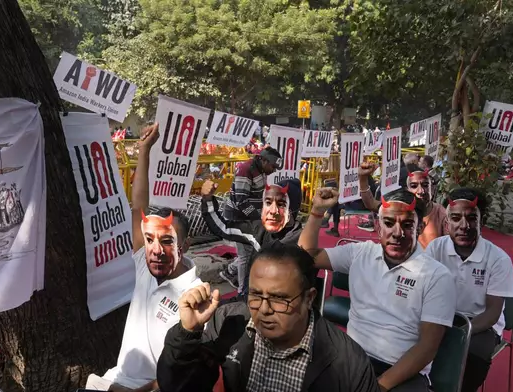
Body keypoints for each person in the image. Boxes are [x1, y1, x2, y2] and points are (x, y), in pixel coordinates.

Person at [157, 245, 380, 392]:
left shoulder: (347, 363)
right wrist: (187, 332)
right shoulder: (229, 322)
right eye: (255, 294)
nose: (264, 309)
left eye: (279, 298)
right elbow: (178, 386)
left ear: (309, 298)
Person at [299, 187, 456, 391]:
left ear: (420, 228)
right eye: (388, 223)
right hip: (350, 360)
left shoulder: (438, 276)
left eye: (407, 225)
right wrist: (316, 212)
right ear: (377, 225)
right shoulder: (360, 253)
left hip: (402, 373)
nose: (397, 233)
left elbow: (427, 348)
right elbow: (305, 258)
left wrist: (377, 386)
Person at [85, 124, 201, 392]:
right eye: (150, 240)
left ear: (186, 244)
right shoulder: (144, 265)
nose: (156, 249)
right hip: (113, 380)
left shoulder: (196, 297)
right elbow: (138, 207)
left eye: (168, 240)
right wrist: (144, 150)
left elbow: (183, 372)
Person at [425, 188, 513, 392]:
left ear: (481, 221)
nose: (464, 226)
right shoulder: (434, 249)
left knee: (469, 360)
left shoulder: (499, 260)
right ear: (447, 222)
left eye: (471, 218)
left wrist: (457, 332)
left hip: (481, 326)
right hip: (443, 318)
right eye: (456, 218)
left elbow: (492, 314)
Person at [201, 178, 303, 291]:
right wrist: (208, 199)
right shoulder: (258, 229)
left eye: (280, 204)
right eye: (268, 202)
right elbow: (224, 228)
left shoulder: (304, 241)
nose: (272, 210)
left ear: (292, 210)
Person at [219, 147, 282, 294]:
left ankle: (230, 271)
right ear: (264, 160)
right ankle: (243, 291)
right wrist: (259, 218)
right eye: (273, 166)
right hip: (237, 216)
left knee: (251, 250)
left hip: (248, 216)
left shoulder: (260, 170)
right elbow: (241, 201)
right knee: (246, 254)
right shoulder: (245, 169)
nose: (274, 170)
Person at [359, 162, 448, 249]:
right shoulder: (398, 208)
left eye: (425, 185)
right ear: (407, 189)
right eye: (414, 186)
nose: (421, 191)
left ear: (432, 188)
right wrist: (362, 178)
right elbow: (371, 203)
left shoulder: (441, 213)